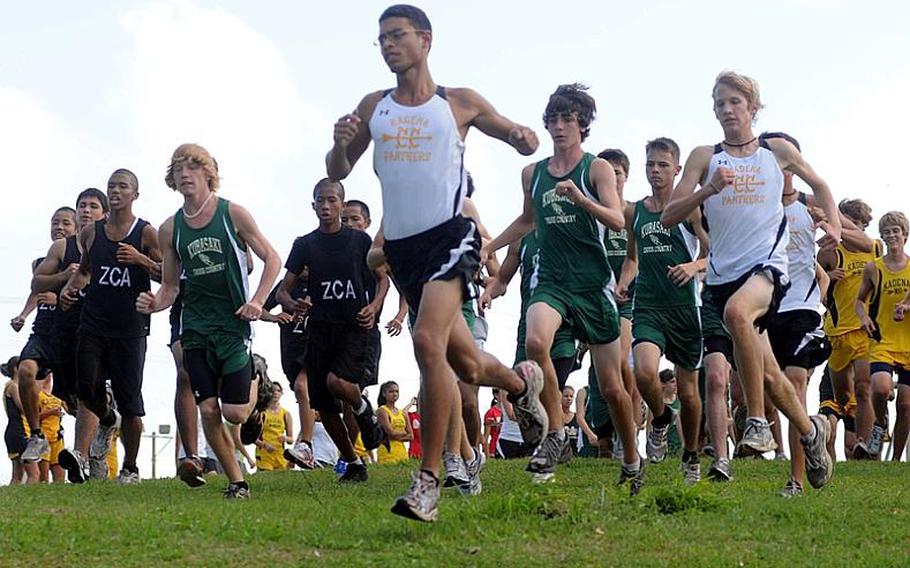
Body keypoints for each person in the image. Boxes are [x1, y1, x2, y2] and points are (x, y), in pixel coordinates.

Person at [327, 4, 546, 522]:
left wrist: (523, 137)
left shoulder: (458, 103)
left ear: (425, 40)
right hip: (402, 251)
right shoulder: (373, 106)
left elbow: (515, 134)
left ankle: (429, 480)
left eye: (397, 36)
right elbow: (339, 168)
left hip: (451, 238)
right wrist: (337, 149)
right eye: (381, 39)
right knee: (467, 364)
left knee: (428, 343)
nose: (387, 46)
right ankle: (522, 385)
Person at [661, 70, 838, 490]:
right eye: (719, 103)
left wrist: (831, 221)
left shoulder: (775, 151)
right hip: (722, 274)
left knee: (740, 314)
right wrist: (706, 191)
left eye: (734, 102)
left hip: (767, 269)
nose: (726, 110)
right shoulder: (706, 157)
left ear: (753, 108)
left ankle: (756, 423)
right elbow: (669, 215)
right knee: (772, 374)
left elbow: (820, 183)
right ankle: (812, 434)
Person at [485, 83, 642, 489]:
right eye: (552, 120)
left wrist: (581, 199)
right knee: (536, 342)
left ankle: (631, 456)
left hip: (592, 287)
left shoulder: (596, 169)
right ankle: (556, 432)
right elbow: (526, 220)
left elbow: (617, 220)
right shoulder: (532, 173)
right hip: (552, 282)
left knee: (612, 389)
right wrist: (491, 244)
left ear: (582, 125)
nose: (558, 127)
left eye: (567, 120)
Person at [136, 143, 281, 499]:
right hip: (196, 329)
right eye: (178, 169)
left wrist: (258, 301)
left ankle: (255, 377)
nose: (185, 174)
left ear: (208, 174)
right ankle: (237, 482)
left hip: (233, 325)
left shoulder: (233, 214)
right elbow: (170, 286)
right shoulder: (171, 229)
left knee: (233, 412)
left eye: (192, 167)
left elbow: (272, 259)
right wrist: (153, 304)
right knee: (207, 407)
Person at [58, 169, 161, 484]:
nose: (116, 191)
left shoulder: (145, 233)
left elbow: (167, 274)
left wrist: (141, 260)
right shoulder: (91, 233)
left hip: (130, 327)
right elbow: (86, 270)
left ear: (135, 195)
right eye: (112, 186)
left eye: (123, 187)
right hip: (93, 323)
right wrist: (70, 287)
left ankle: (130, 468)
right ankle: (107, 418)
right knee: (86, 389)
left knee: (131, 400)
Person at [618, 137, 707, 484]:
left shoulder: (690, 208)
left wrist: (694, 265)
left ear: (677, 169)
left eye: (662, 165)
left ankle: (691, 456)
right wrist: (624, 281)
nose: (655, 171)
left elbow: (715, 253)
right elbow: (631, 256)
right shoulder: (635, 212)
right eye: (650, 165)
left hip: (685, 307)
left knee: (688, 391)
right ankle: (659, 418)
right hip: (649, 306)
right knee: (643, 372)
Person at [31, 189, 109, 474]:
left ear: (105, 213)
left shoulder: (112, 242)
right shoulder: (63, 249)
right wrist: (62, 285)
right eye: (82, 206)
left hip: (97, 329)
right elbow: (37, 284)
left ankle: (81, 457)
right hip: (62, 331)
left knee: (88, 389)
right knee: (71, 399)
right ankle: (107, 417)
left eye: (92, 206)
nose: (86, 210)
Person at [16, 206, 79, 464]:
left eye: (66, 223)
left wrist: (60, 297)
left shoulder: (80, 261)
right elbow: (37, 291)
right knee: (25, 371)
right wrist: (23, 315)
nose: (59, 227)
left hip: (70, 335)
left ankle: (98, 434)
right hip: (42, 333)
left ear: (76, 230)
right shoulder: (42, 264)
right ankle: (37, 435)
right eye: (55, 222)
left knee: (74, 401)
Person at [818, 199, 880, 458]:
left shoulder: (874, 249)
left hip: (866, 329)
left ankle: (863, 444)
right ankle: (856, 428)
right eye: (851, 223)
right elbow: (816, 292)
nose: (856, 229)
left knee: (865, 387)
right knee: (843, 396)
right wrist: (827, 278)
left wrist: (831, 223)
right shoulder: (831, 253)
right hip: (837, 332)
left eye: (859, 225)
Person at [856, 212, 910, 460]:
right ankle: (880, 423)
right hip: (883, 341)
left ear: (905, 234)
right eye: (886, 232)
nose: (891, 235)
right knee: (879, 388)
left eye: (895, 231)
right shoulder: (873, 267)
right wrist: (864, 318)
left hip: (908, 342)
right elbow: (859, 301)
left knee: (906, 405)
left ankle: (896, 460)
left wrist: (906, 307)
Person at [3, 357, 38, 484]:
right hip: (20, 431)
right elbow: (24, 408)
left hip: (13, 431)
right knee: (34, 473)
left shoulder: (9, 386)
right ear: (15, 369)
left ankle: (14, 501)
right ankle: (31, 501)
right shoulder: (14, 386)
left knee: (17, 474)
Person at [255, 382, 293, 471]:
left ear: (281, 394)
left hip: (280, 455)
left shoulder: (286, 414)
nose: (276, 393)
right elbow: (252, 438)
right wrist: (264, 445)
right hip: (264, 455)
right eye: (273, 390)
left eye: (278, 391)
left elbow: (291, 440)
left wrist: (285, 438)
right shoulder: (261, 413)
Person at [37, 375, 66, 482]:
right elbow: (33, 417)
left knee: (60, 475)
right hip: (43, 438)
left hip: (57, 438)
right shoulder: (37, 394)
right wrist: (51, 412)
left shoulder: (57, 395)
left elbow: (70, 410)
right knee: (43, 478)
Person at [377, 381, 412, 464]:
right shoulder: (382, 411)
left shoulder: (402, 413)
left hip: (402, 453)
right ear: (384, 394)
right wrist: (403, 432)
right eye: (391, 391)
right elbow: (390, 433)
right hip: (387, 453)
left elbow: (411, 436)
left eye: (397, 391)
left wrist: (396, 436)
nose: (395, 394)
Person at [482, 390, 502, 458]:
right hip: (494, 450)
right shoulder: (491, 412)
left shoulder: (512, 411)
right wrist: (487, 456)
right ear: (496, 395)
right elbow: (486, 437)